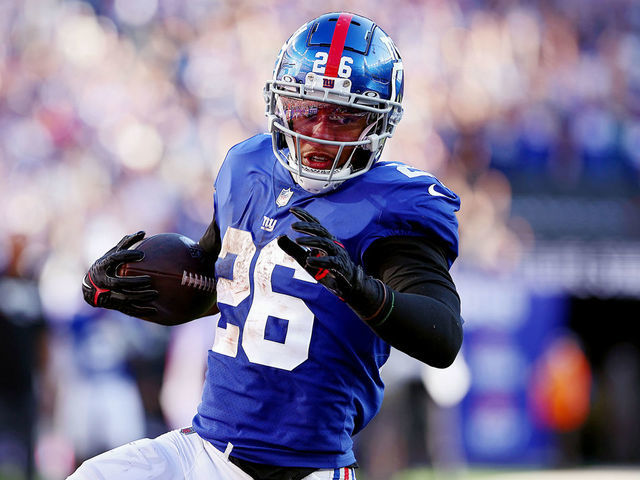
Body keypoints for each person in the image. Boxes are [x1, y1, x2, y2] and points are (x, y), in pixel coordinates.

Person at [71, 11, 463, 480]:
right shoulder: (247, 164)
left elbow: (443, 337)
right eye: (305, 109)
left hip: (303, 467)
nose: (318, 130)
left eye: (342, 116)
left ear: (377, 122)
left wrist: (361, 289)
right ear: (280, 103)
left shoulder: (390, 204)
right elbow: (220, 284)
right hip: (206, 449)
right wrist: (124, 288)